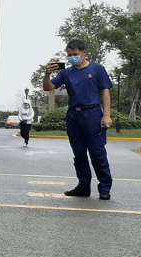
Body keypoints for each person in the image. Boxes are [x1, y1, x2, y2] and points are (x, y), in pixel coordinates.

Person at [43, 39, 113, 199]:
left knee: (98, 154)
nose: (72, 58)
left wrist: (106, 115)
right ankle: (83, 187)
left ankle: (105, 188)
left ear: (84, 53)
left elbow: (105, 91)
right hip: (74, 116)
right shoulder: (66, 73)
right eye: (69, 55)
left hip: (93, 114)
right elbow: (48, 88)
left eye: (75, 54)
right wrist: (47, 74)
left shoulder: (97, 69)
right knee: (79, 155)